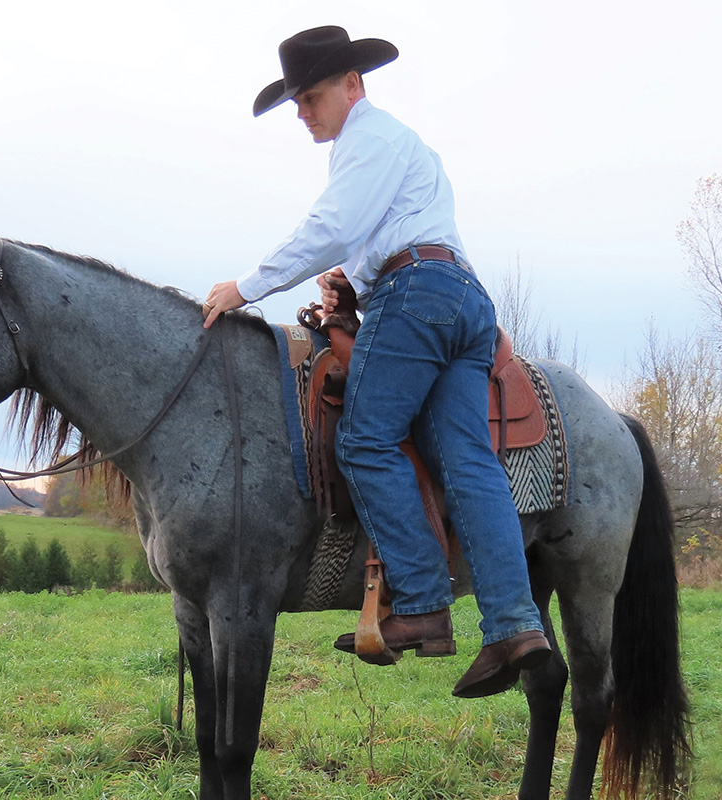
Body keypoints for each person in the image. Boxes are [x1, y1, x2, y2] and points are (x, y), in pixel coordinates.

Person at [201, 25, 550, 698]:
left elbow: (330, 227)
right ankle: (513, 623)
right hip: (461, 297)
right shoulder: (398, 146)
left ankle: (420, 605)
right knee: (468, 460)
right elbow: (374, 236)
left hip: (415, 294)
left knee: (364, 440)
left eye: (311, 97)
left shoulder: (367, 141)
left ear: (352, 84)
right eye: (296, 102)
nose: (303, 112)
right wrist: (353, 286)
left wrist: (245, 287)